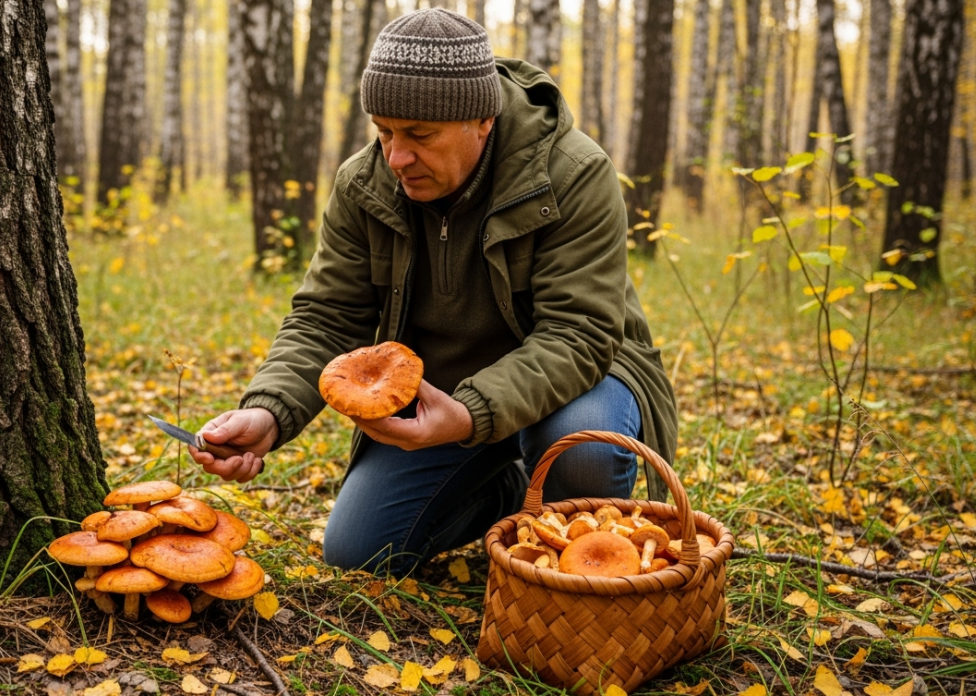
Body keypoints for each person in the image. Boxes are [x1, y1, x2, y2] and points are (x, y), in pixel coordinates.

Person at [189, 8, 677, 576]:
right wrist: (270, 411)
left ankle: (578, 567)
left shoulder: (572, 173)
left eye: (420, 135)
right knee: (360, 552)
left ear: (483, 120)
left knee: (584, 450)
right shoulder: (363, 185)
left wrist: (470, 414)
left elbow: (579, 334)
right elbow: (327, 318)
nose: (397, 157)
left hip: (578, 379)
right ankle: (514, 494)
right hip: (437, 395)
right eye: (384, 132)